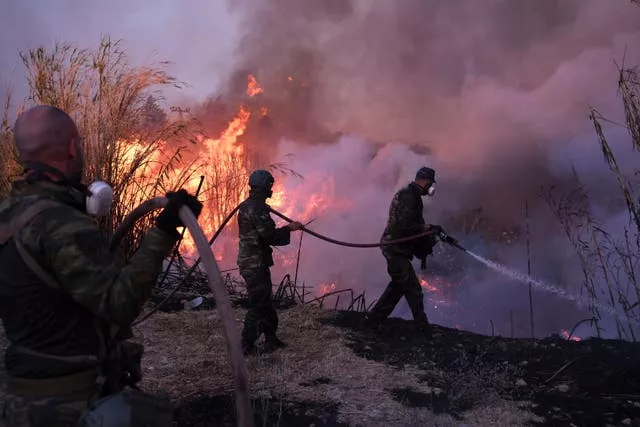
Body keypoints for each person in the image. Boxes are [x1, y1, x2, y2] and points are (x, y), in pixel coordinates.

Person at [0, 105, 202, 426]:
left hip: (19, 399)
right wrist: (163, 232)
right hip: (69, 403)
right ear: (72, 147)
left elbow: (50, 304)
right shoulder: (61, 223)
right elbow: (119, 303)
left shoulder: (8, 215)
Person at [366, 166, 442, 333]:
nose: (430, 187)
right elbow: (404, 226)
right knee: (412, 288)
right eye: (430, 183)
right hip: (394, 248)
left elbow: (415, 226)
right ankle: (422, 327)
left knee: (399, 286)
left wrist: (429, 236)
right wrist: (427, 228)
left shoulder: (413, 196)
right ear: (425, 181)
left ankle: (373, 321)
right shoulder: (408, 196)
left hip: (397, 247)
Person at [237, 169, 302, 355]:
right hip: (254, 263)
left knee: (266, 301)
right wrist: (289, 228)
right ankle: (246, 346)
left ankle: (271, 339)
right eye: (270, 186)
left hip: (253, 261)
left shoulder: (249, 205)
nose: (271, 189)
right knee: (259, 303)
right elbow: (269, 235)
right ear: (265, 187)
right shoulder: (256, 208)